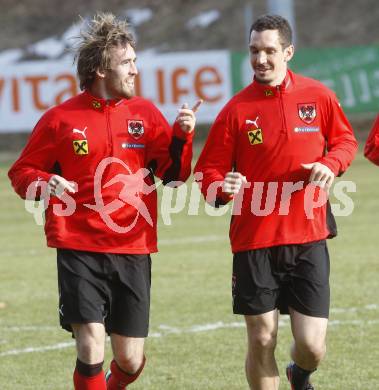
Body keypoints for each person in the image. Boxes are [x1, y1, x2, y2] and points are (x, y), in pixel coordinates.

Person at [8, 12, 201, 390]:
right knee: (91, 344)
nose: (134, 71)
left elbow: (174, 177)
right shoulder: (60, 120)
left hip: (133, 247)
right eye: (127, 63)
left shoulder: (145, 114)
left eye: (135, 62)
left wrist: (182, 137)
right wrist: (44, 182)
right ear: (100, 69)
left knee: (129, 359)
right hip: (78, 246)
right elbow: (21, 173)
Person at [194, 14, 357, 390]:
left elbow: (346, 142)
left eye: (269, 51)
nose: (260, 59)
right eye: (254, 51)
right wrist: (223, 186)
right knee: (262, 337)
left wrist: (330, 164)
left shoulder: (317, 96)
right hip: (254, 241)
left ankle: (299, 375)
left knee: (312, 346)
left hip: (308, 236)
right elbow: (206, 175)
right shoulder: (235, 110)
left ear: (288, 52)